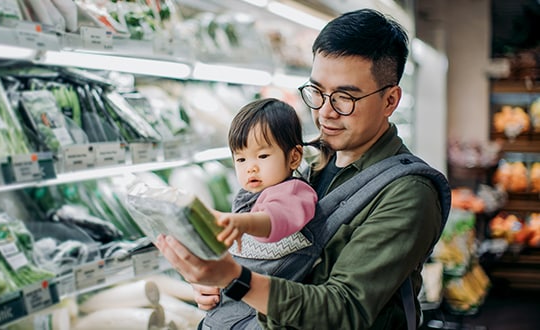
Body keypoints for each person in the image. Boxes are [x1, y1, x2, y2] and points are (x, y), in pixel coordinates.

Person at [156, 8, 450, 329]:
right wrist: (217, 284)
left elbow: (345, 309)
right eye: (317, 92)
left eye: (344, 98)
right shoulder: (305, 160)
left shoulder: (408, 193)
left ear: (390, 101)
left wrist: (237, 280)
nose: (325, 112)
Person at [202, 98, 318, 329]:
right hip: (235, 305)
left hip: (262, 315)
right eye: (241, 159)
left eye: (262, 156)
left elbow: (274, 219)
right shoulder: (248, 195)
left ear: (294, 157)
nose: (250, 167)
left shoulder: (294, 191)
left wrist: (241, 223)